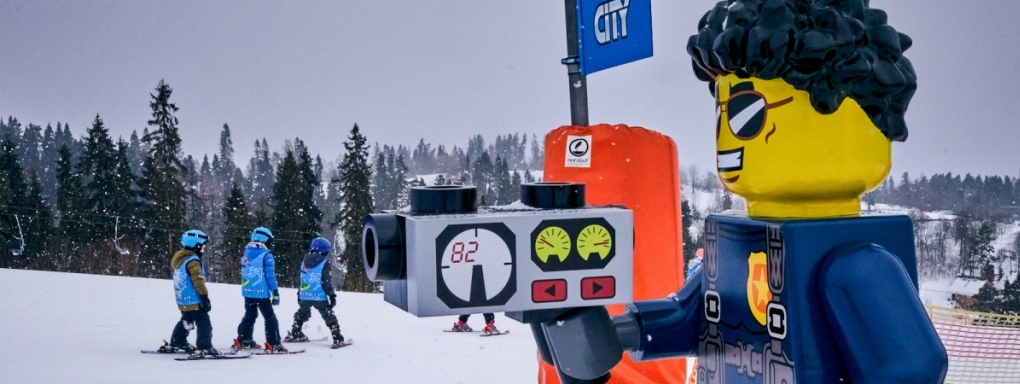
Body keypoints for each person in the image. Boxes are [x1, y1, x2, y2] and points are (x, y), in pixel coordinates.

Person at [159, 229, 219, 356]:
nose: (203, 249)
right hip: (194, 299)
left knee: (187, 320)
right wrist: (204, 296)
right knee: (204, 323)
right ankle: (204, 346)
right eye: (202, 247)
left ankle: (178, 341)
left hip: (183, 298)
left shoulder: (181, 259)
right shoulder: (193, 261)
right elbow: (197, 281)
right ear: (196, 245)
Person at [233, 227, 287, 353]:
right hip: (261, 293)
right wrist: (275, 291)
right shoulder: (266, 256)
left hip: (248, 292)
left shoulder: (246, 254)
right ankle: (273, 343)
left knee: (250, 316)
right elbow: (270, 276)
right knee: (270, 318)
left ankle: (244, 338)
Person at [284, 237, 346, 347]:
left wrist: (299, 294)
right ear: (324, 251)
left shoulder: (304, 262)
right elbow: (326, 282)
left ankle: (296, 331)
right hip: (319, 296)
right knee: (328, 315)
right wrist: (331, 295)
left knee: (302, 313)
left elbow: (302, 279)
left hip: (305, 294)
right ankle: (337, 337)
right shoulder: (325, 263)